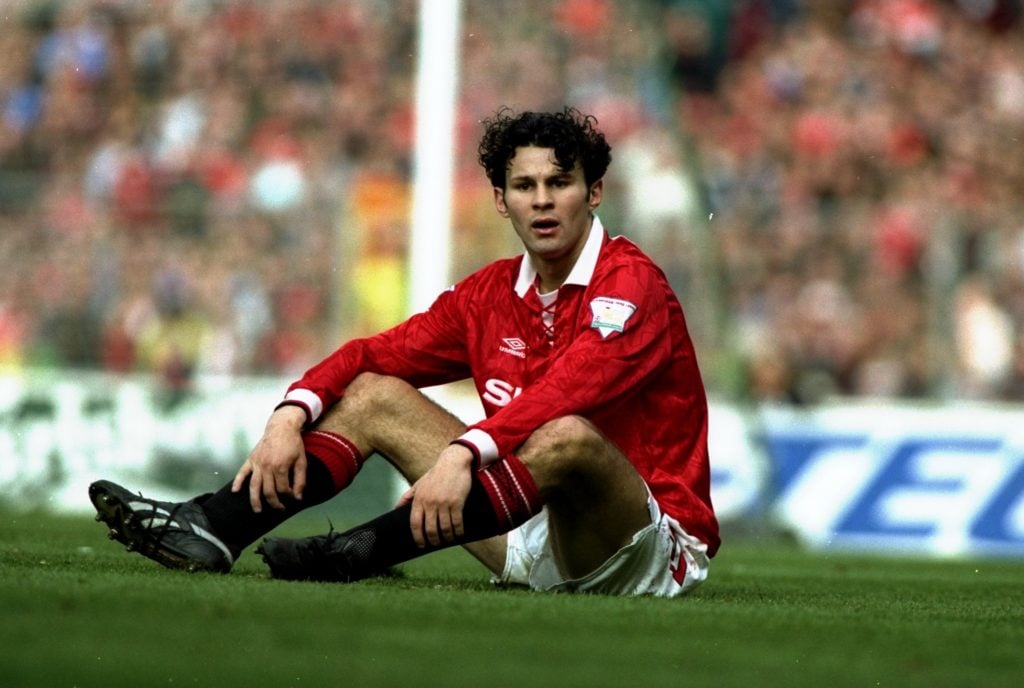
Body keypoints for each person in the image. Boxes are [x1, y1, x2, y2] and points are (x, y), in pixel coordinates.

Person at [90, 107, 719, 597]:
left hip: (647, 547)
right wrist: (290, 413)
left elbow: (573, 389)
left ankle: (358, 552)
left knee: (570, 435)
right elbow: (373, 353)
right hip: (526, 531)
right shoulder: (489, 295)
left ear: (594, 192)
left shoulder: (632, 284)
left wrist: (464, 451)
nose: (543, 199)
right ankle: (214, 527)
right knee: (373, 395)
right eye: (524, 185)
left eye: (560, 182)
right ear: (501, 200)